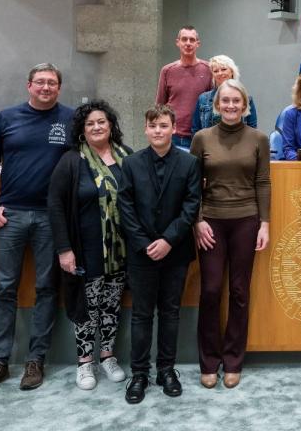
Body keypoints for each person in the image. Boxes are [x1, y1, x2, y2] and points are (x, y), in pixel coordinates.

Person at [0, 63, 74, 395]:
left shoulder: (71, 119)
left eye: (52, 83)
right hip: (10, 215)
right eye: (40, 82)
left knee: (47, 288)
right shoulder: (6, 118)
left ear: (59, 88)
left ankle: (35, 361)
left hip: (52, 217)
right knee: (5, 289)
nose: (45, 87)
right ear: (28, 85)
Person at [118, 104, 201, 404]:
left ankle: (167, 369)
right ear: (145, 129)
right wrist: (143, 243)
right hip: (141, 254)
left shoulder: (189, 163)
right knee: (141, 314)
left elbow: (191, 206)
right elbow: (125, 207)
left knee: (170, 313)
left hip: (176, 251)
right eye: (153, 126)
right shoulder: (131, 163)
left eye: (163, 125)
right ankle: (139, 373)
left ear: (173, 128)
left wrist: (167, 240)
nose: (158, 131)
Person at [191, 80, 271, 389]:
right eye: (225, 100)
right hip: (210, 222)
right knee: (211, 290)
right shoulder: (201, 138)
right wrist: (197, 221)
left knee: (240, 292)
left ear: (245, 105)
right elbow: (192, 185)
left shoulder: (258, 139)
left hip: (246, 222)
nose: (230, 106)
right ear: (216, 104)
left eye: (236, 100)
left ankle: (234, 360)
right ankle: (209, 361)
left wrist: (265, 223)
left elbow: (263, 181)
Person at [47, 100, 132, 391]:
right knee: (87, 307)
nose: (97, 127)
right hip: (85, 248)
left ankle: (107, 356)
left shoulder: (126, 156)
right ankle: (85, 362)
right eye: (90, 123)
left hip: (119, 251)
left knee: (111, 306)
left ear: (111, 126)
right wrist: (64, 249)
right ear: (82, 130)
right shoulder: (71, 160)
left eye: (102, 122)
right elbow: (56, 205)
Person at [156, 26, 213, 148]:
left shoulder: (209, 69)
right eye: (184, 39)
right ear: (178, 42)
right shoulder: (167, 70)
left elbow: (212, 102)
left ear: (198, 44)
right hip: (173, 136)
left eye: (192, 40)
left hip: (199, 136)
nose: (188, 43)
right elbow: (160, 106)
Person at [190, 55, 258, 136]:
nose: (220, 73)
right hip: (209, 147)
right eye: (215, 71)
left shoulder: (247, 98)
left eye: (223, 69)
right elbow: (196, 129)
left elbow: (252, 129)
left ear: (232, 71)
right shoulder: (203, 99)